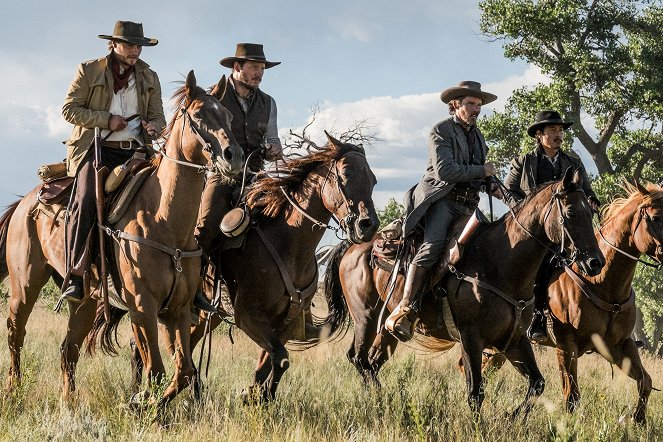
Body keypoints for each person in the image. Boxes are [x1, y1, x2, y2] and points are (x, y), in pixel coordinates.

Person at [384, 81, 499, 342]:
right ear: (456, 104)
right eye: (471, 103)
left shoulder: (478, 137)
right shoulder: (440, 131)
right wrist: (483, 171)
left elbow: (477, 173)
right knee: (432, 247)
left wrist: (491, 184)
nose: (476, 109)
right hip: (442, 201)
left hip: (468, 205)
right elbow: (445, 171)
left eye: (479, 105)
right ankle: (405, 307)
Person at [60, 21, 166, 302]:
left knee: (172, 198)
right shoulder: (89, 69)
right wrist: (106, 120)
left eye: (138, 45)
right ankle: (75, 274)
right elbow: (69, 109)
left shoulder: (149, 76)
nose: (135, 51)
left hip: (137, 151)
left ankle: (182, 280)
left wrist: (153, 127)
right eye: (130, 45)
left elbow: (159, 117)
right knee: (85, 200)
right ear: (114, 44)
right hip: (96, 148)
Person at [503, 110, 600, 343]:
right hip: (532, 231)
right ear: (539, 134)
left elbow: (585, 190)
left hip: (565, 229)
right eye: (553, 130)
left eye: (560, 130)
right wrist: (525, 210)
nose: (559, 134)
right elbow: (507, 190)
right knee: (542, 266)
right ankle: (536, 318)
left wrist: (592, 200)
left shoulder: (573, 162)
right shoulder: (523, 161)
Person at [195, 43, 282, 255]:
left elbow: (274, 139)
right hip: (222, 174)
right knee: (205, 226)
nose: (259, 74)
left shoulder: (268, 103)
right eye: (254, 67)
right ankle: (197, 278)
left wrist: (274, 149)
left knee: (282, 219)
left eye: (262, 69)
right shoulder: (214, 98)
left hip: (256, 174)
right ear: (236, 67)